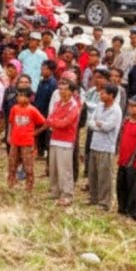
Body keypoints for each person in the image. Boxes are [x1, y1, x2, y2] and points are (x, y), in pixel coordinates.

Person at [46, 78, 82, 206]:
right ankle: (55, 191)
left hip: (66, 141)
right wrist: (55, 121)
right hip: (55, 139)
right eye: (60, 89)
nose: (62, 92)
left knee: (64, 169)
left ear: (72, 91)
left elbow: (65, 123)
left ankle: (67, 194)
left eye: (65, 89)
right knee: (54, 167)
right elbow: (50, 118)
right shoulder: (57, 103)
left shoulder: (74, 106)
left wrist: (54, 122)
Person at [87, 84, 122, 208]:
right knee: (93, 173)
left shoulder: (116, 110)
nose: (100, 95)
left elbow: (108, 127)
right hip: (95, 144)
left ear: (111, 96)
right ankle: (94, 198)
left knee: (105, 176)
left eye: (103, 93)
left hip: (106, 146)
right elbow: (90, 122)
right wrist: (99, 125)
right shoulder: (100, 106)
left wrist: (99, 124)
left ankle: (105, 201)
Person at [7, 87, 45, 191]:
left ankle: (29, 187)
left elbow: (44, 123)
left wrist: (35, 133)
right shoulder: (14, 108)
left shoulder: (32, 110)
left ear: (29, 98)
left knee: (28, 166)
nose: (20, 98)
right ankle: (11, 184)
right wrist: (9, 135)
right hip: (15, 141)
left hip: (27, 142)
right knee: (12, 164)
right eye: (19, 95)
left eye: (23, 96)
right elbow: (11, 122)